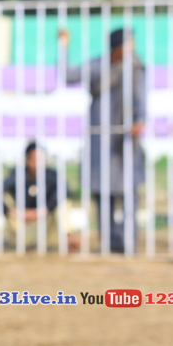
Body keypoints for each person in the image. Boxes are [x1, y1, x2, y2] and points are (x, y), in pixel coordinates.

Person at [60, 27, 146, 253]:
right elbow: (68, 75)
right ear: (116, 47)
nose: (131, 48)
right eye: (127, 44)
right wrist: (63, 47)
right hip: (100, 142)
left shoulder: (135, 67)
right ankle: (110, 241)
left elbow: (141, 98)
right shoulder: (98, 67)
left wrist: (140, 120)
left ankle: (128, 241)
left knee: (129, 193)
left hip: (126, 141)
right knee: (103, 194)